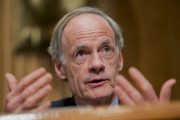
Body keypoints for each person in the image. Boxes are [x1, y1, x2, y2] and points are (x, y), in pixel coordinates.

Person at [4, 7, 176, 113]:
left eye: (106, 50)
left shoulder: (148, 115)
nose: (97, 64)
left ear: (120, 60)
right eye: (81, 53)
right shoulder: (42, 118)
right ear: (60, 68)